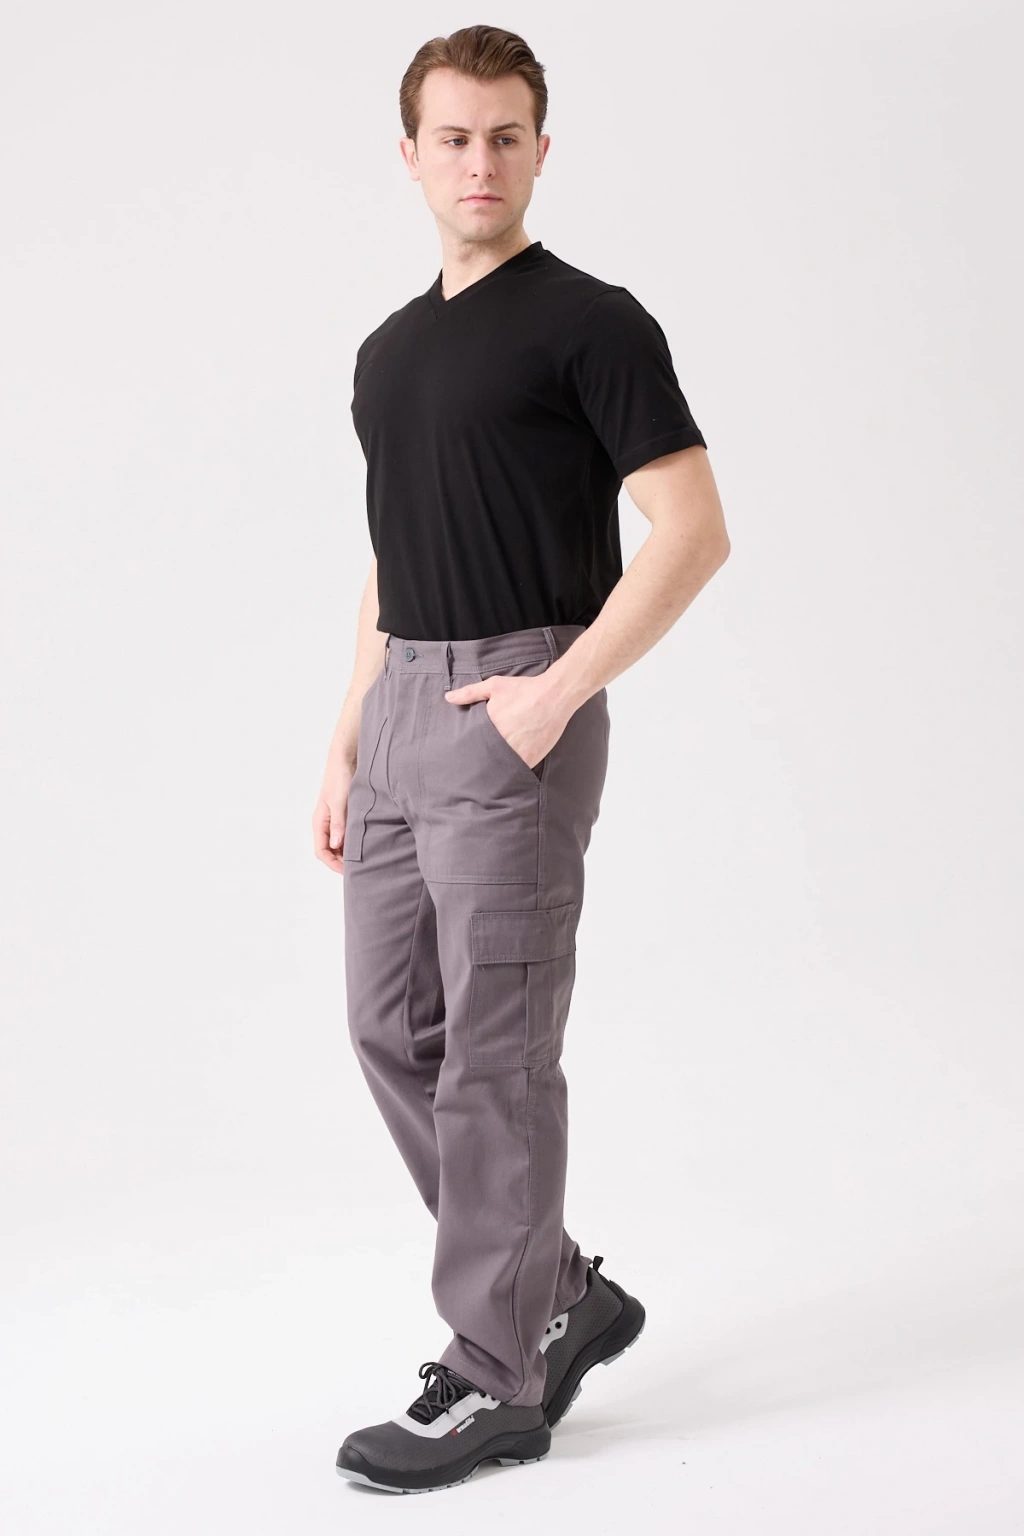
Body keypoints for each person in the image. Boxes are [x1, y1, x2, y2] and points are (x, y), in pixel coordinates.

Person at [313, 24, 730, 1495]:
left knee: (495, 1055)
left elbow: (693, 530)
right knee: (389, 1029)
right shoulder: (387, 354)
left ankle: (496, 1374)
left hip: (516, 704)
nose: (479, 162)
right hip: (401, 715)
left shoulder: (591, 324)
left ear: (542, 151)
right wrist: (349, 734)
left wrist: (556, 695)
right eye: (454, 137)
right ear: (411, 155)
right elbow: (392, 556)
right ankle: (558, 1292)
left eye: (505, 136)